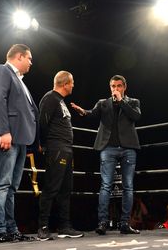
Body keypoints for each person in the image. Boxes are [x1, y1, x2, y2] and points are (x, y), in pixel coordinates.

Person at [0, 44, 39, 243]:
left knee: (11, 187)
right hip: (3, 136)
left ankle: (10, 229)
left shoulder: (20, 81)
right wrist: (3, 131)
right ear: (19, 56)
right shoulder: (1, 70)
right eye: (29, 58)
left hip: (19, 139)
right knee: (1, 184)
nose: (31, 62)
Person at [71, 75, 141, 235]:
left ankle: (125, 223)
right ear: (110, 87)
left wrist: (121, 101)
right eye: (112, 86)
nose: (115, 89)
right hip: (108, 147)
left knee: (128, 187)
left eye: (118, 86)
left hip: (128, 147)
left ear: (124, 87)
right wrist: (83, 112)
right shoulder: (103, 103)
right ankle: (103, 222)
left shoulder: (133, 102)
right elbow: (92, 114)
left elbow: (136, 116)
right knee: (106, 186)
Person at [37, 71, 84, 241]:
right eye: (71, 83)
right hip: (56, 148)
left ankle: (64, 227)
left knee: (65, 190)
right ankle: (43, 227)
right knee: (51, 187)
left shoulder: (60, 101)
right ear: (64, 84)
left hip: (66, 149)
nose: (73, 85)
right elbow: (42, 121)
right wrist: (43, 144)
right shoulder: (50, 98)